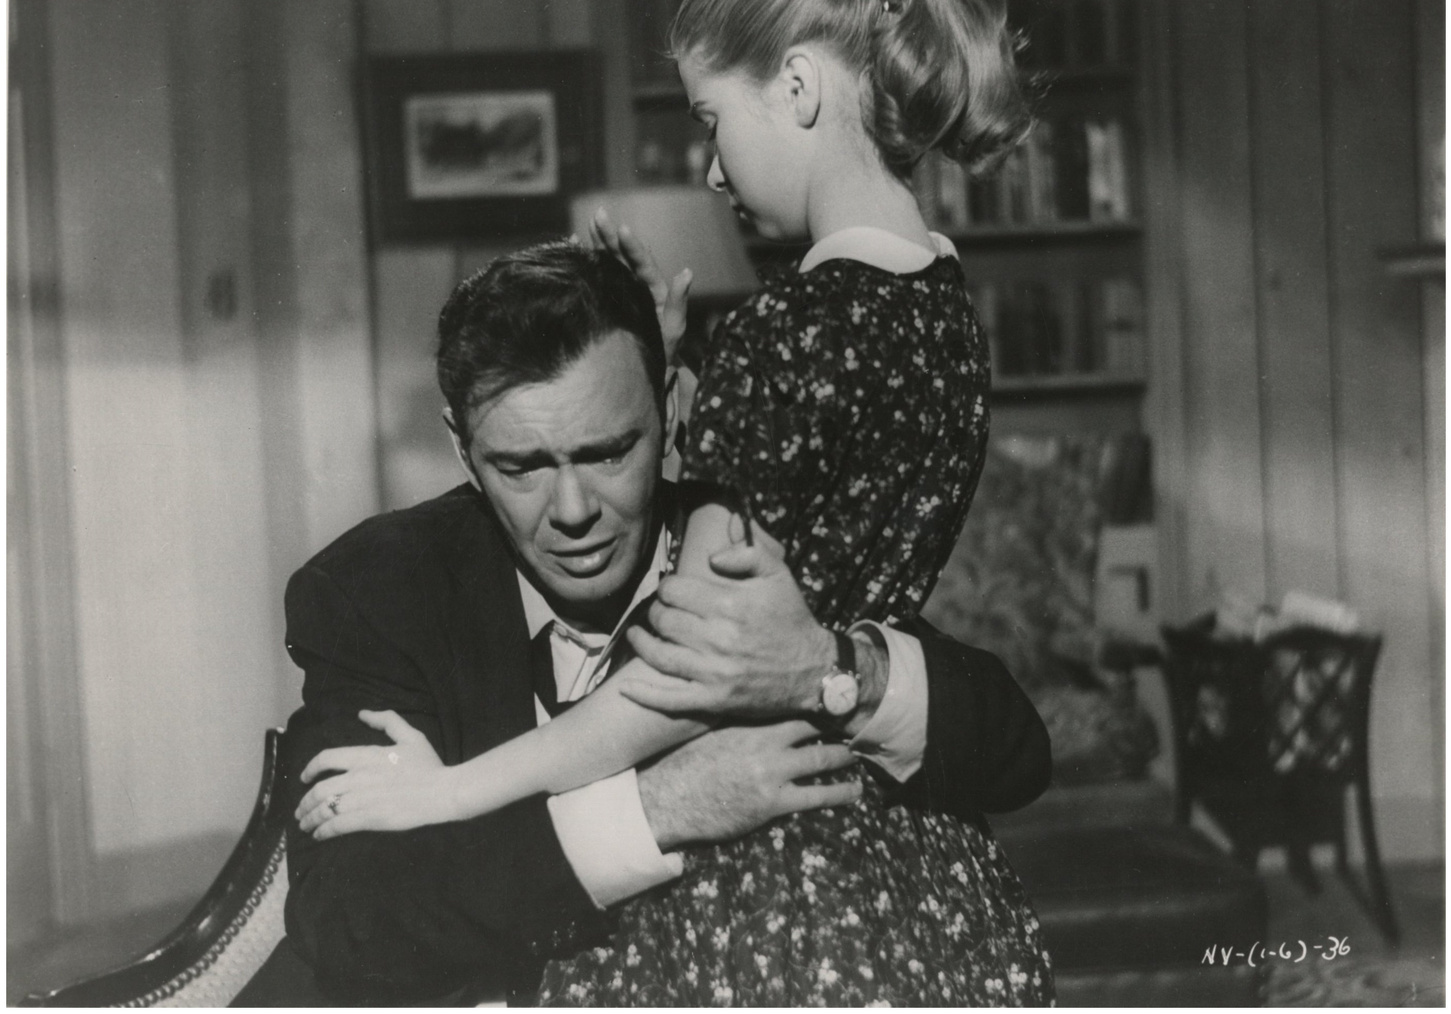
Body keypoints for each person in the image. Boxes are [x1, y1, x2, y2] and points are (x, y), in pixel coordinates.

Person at [269, 240, 1050, 1005]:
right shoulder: (379, 591)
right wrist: (655, 810)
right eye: (522, 468)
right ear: (461, 448)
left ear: (672, 409)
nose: (573, 511)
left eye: (609, 454)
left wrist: (834, 669)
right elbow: (345, 918)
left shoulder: (740, 539)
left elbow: (1013, 753)